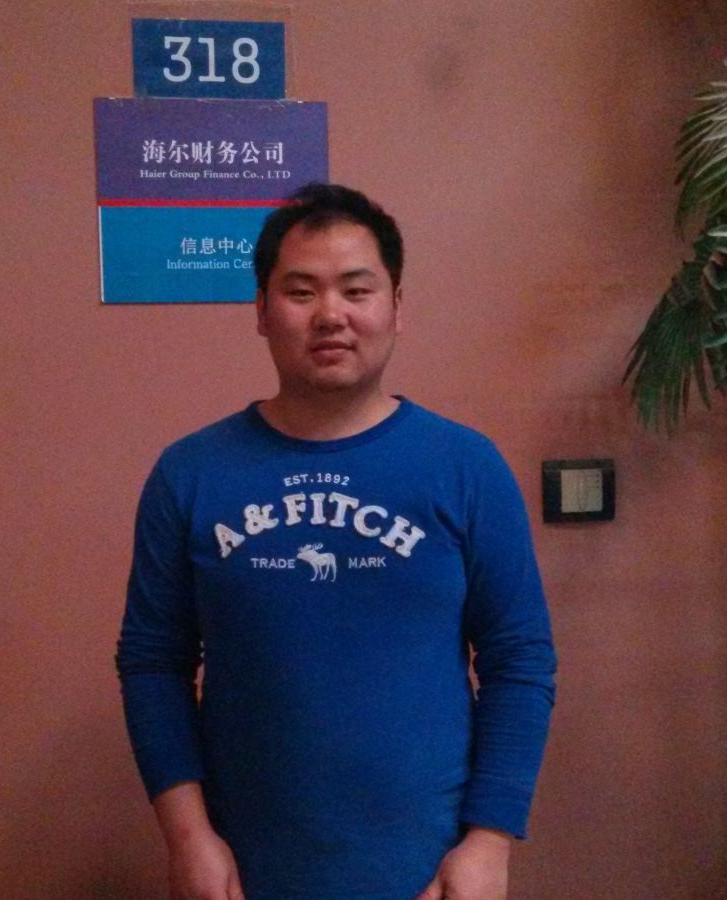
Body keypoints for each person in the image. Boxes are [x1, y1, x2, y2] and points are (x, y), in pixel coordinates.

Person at [116, 183, 556, 900]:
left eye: (357, 290)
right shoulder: (190, 473)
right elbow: (152, 662)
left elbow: (520, 660)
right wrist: (187, 838)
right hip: (245, 872)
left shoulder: (465, 467)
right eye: (300, 292)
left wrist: (489, 842)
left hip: (427, 871)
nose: (331, 315)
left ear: (396, 307)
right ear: (262, 311)